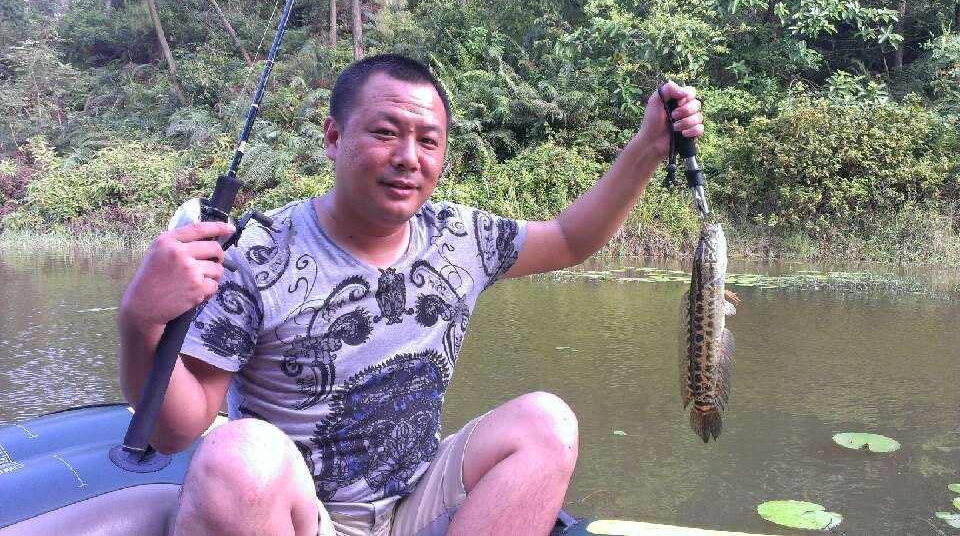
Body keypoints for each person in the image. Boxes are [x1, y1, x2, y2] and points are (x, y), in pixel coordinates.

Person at [118, 53, 703, 536]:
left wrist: (648, 148)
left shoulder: (458, 238)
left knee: (547, 423)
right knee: (237, 456)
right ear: (334, 137)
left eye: (428, 140)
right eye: (385, 132)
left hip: (414, 502)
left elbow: (570, 238)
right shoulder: (258, 252)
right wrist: (141, 320)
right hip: (299, 516)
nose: (407, 158)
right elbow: (175, 430)